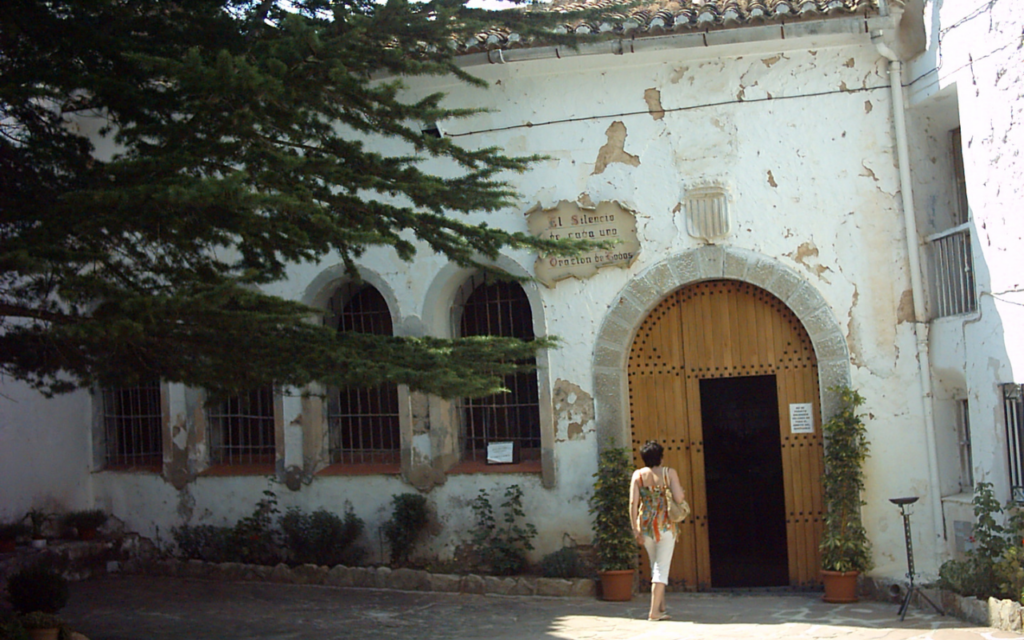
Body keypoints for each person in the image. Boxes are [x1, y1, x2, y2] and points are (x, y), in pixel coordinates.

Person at [629, 440, 685, 621]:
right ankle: (654, 611)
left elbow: (633, 503)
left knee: (655, 564)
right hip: (665, 525)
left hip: (645, 526)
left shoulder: (638, 475)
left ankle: (661, 606)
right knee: (661, 569)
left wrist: (635, 529)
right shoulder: (669, 473)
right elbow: (678, 497)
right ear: (660, 456)